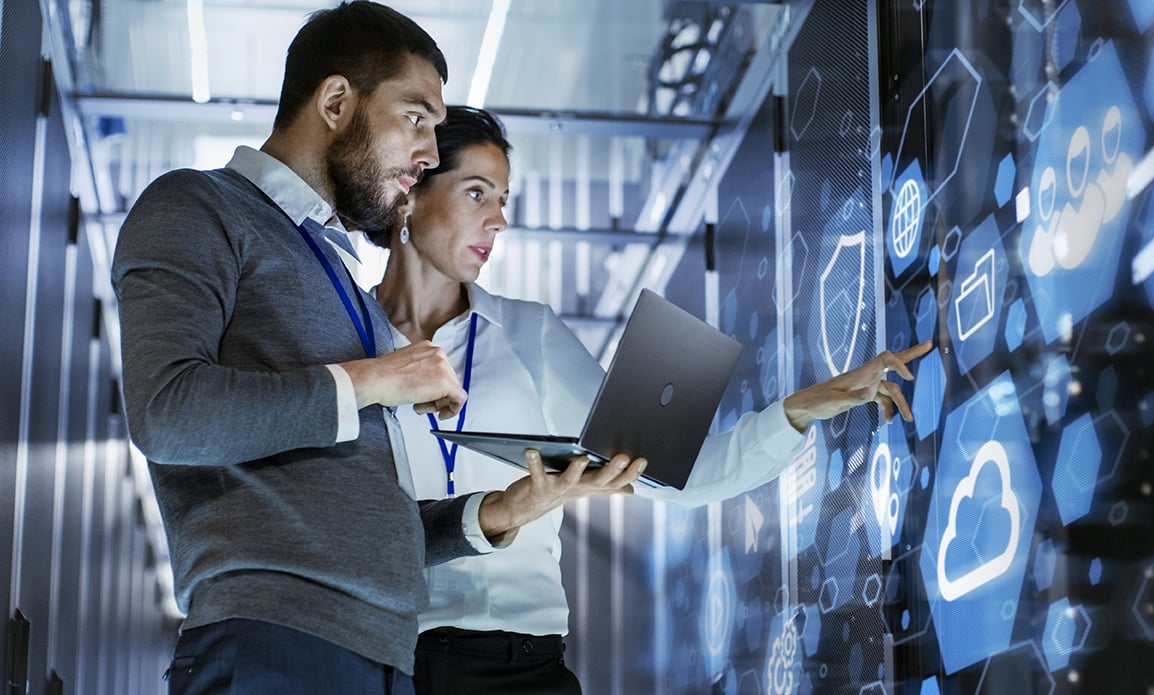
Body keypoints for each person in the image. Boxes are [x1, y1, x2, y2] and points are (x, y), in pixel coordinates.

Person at [110, 5, 641, 693]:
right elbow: (168, 414)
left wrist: (498, 512)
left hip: (381, 656)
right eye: (416, 117)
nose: (427, 152)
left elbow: (367, 520)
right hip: (274, 642)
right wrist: (373, 379)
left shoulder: (338, 279)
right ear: (335, 101)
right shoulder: (198, 206)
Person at [368, 105, 934, 695]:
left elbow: (675, 475)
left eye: (504, 199)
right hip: (378, 657)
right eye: (478, 194)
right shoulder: (344, 340)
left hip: (519, 666)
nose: (499, 220)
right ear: (410, 192)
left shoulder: (527, 333)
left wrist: (802, 408)